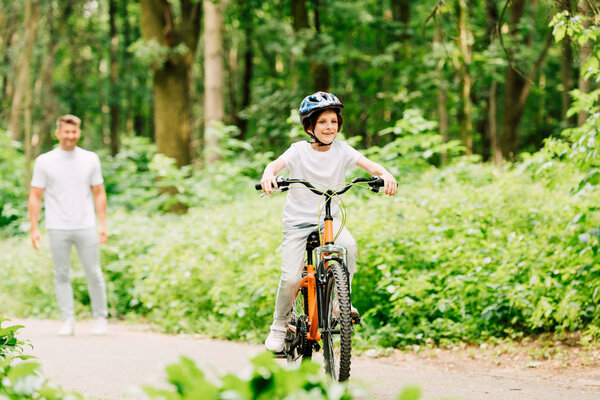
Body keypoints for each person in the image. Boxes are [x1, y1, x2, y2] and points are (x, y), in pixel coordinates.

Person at [260, 91, 397, 352]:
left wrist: (386, 174)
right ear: (310, 126)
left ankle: (339, 304)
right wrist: (269, 175)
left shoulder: (343, 150)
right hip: (298, 222)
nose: (329, 127)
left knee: (349, 246)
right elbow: (275, 165)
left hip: (329, 220)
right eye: (322, 122)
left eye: (333, 122)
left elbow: (371, 166)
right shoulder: (298, 151)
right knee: (290, 277)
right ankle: (279, 326)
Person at [28, 114, 109, 336]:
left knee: (93, 272)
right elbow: (35, 196)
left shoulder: (90, 159)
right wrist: (34, 228)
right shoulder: (44, 161)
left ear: (79, 133)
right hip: (57, 226)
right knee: (61, 274)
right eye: (66, 132)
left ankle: (100, 318)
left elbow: (99, 192)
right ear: (58, 133)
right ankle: (68, 320)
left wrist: (102, 223)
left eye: (74, 132)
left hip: (85, 224)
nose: (70, 136)